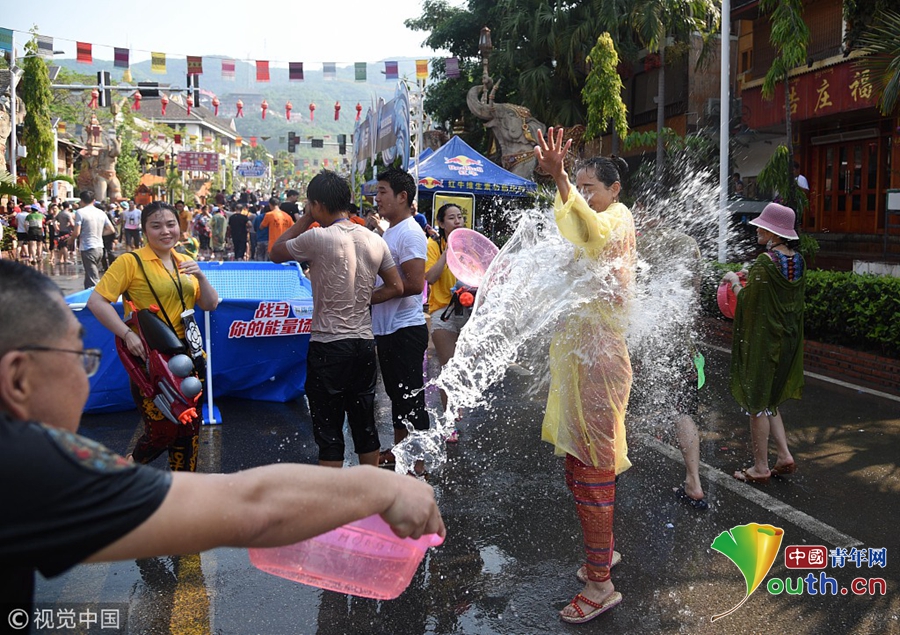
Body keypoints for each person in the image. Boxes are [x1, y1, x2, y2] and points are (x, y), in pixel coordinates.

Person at [0, 260, 445, 613]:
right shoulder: (22, 464)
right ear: (18, 377)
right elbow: (249, 506)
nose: (84, 376)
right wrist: (378, 486)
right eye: (79, 356)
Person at [533, 128, 635, 624]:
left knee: (593, 469)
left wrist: (557, 179)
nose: (583, 193)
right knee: (580, 462)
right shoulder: (592, 229)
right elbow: (574, 235)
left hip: (599, 363)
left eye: (590, 186)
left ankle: (601, 585)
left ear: (614, 191)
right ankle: (604, 553)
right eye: (580, 184)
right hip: (581, 362)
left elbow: (588, 228)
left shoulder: (615, 220)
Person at [270, 171, 404, 468]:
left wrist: (306, 219)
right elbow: (396, 286)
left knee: (329, 431)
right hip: (364, 345)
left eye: (311, 205)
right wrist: (362, 296)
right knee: (364, 425)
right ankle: (369, 500)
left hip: (328, 346)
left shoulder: (317, 237)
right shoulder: (375, 240)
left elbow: (275, 253)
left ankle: (333, 508)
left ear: (317, 204)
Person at [87, 202, 219, 473]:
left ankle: (183, 489)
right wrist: (126, 333)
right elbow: (96, 302)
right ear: (143, 229)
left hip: (190, 359)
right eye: (156, 226)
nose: (165, 231)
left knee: (188, 429)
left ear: (179, 227)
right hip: (153, 363)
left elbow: (210, 304)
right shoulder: (130, 262)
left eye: (171, 224)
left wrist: (202, 277)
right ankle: (124, 470)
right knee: (163, 430)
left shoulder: (185, 261)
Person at [722, 202, 805, 484]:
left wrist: (734, 280)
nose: (757, 229)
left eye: (762, 227)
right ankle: (783, 455)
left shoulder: (765, 262)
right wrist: (749, 278)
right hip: (788, 341)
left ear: (774, 234)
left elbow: (746, 301)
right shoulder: (797, 261)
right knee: (770, 401)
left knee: (756, 403)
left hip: (765, 343)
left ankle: (760, 467)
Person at [633, 215, 707, 509]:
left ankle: (609, 473)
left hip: (644, 342)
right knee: (683, 411)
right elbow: (696, 292)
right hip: (681, 343)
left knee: (623, 405)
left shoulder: (639, 245)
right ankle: (694, 482)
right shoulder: (690, 244)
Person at [372, 167, 430, 476]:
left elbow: (414, 283)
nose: (377, 197)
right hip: (388, 328)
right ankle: (398, 452)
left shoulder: (409, 232)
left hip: (405, 329)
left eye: (382, 191)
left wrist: (371, 296)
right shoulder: (392, 230)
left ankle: (419, 461)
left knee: (411, 397)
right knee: (397, 396)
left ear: (402, 196)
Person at [424, 203, 469, 439]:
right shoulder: (432, 245)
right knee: (449, 368)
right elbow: (430, 278)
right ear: (441, 223)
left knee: (462, 367)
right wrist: (447, 250)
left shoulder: (470, 246)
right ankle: (449, 422)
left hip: (469, 311)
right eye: (451, 218)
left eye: (460, 217)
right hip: (443, 312)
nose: (457, 221)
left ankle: (457, 401)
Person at [73, 190, 116, 289]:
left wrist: (71, 240)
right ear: (94, 200)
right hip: (99, 247)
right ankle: (88, 297)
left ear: (81, 201)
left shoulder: (80, 212)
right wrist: (98, 234)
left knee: (93, 279)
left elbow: (76, 232)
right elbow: (111, 229)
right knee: (90, 275)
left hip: (88, 247)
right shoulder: (101, 212)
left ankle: (97, 299)